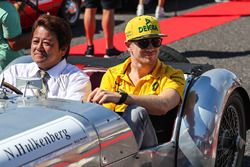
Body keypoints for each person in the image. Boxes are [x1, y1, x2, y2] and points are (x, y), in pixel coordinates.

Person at [87, 15, 185, 149]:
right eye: (143, 42)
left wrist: (122, 98)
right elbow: (105, 121)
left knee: (136, 112)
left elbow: (164, 104)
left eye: (156, 41)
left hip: (155, 149)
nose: (151, 48)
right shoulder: (113, 74)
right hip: (116, 141)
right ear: (129, 46)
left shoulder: (173, 75)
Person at [0, 14, 91, 101]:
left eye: (46, 43)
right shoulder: (15, 72)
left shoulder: (77, 80)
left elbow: (71, 114)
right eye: (35, 41)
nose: (39, 48)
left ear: (63, 49)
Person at [0, 0, 31, 71]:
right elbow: (14, 44)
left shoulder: (6, 9)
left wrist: (21, 4)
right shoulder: (8, 10)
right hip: (10, 66)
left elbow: (9, 21)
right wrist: (38, 31)